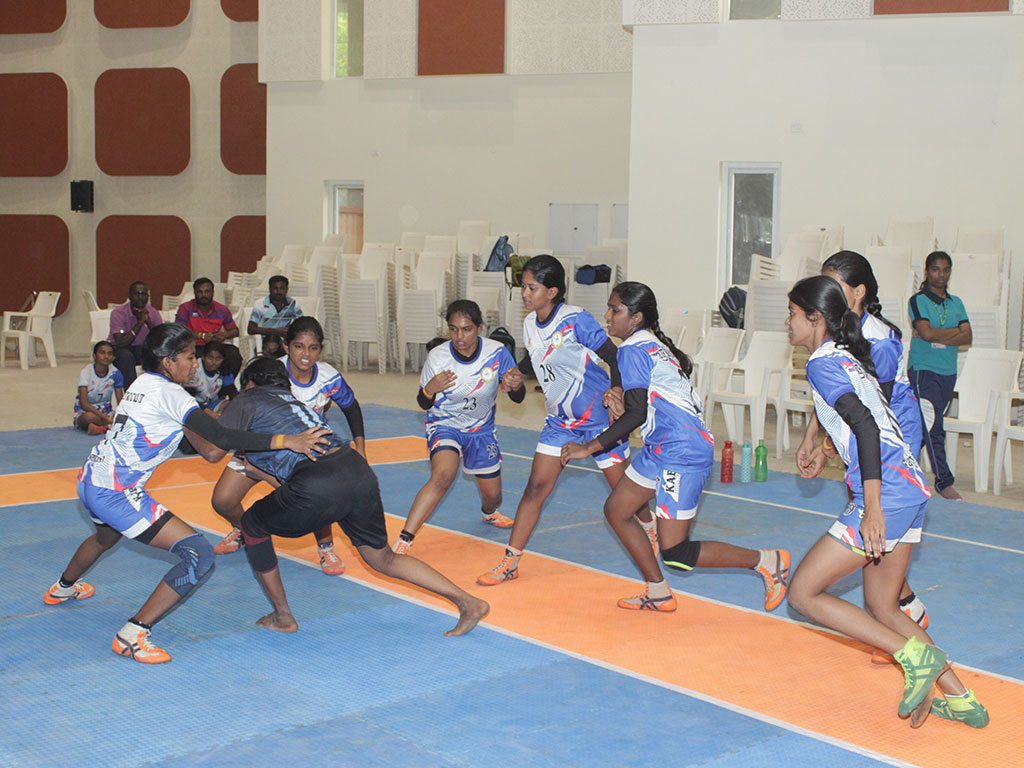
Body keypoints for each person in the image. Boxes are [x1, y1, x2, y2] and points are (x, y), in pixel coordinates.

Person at [43, 323, 330, 665]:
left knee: (106, 536)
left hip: (90, 478)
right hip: (115, 492)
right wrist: (286, 440)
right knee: (198, 554)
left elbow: (205, 450)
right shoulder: (174, 396)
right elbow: (219, 441)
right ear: (168, 361)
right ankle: (133, 634)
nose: (195, 364)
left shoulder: (142, 383)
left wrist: (210, 423)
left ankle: (63, 587)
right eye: (190, 357)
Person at [785, 275, 987, 729]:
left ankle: (911, 656)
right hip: (911, 488)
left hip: (887, 494)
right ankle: (961, 699)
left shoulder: (821, 363)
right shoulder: (847, 357)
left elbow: (866, 427)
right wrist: (824, 447)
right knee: (883, 605)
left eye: (793, 314)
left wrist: (872, 505)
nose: (787, 322)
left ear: (815, 319)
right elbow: (864, 419)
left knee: (803, 593)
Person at [204, 356, 490, 636]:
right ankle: (468, 602)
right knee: (383, 558)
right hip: (356, 471)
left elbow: (215, 449)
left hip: (316, 482)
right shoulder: (297, 406)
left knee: (252, 525)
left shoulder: (249, 398)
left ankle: (283, 616)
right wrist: (259, 470)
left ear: (249, 384)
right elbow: (292, 480)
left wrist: (193, 418)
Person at [560, 282, 789, 612]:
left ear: (636, 317)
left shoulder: (632, 350)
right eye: (609, 308)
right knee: (617, 510)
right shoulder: (650, 344)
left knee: (676, 553)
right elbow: (646, 402)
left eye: (615, 310)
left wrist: (590, 447)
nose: (607, 316)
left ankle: (766, 560)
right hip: (661, 447)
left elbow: (637, 413)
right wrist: (622, 398)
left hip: (681, 453)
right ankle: (658, 592)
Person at [476, 255, 657, 587]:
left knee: (624, 493)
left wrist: (617, 390)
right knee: (535, 488)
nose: (525, 294)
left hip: (599, 420)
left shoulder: (576, 320)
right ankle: (510, 562)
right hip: (560, 421)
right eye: (523, 287)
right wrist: (518, 373)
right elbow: (538, 357)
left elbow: (614, 355)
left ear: (552, 291)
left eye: (532, 288)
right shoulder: (530, 324)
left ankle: (649, 525)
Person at [796, 251, 929, 662]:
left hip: (895, 441)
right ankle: (901, 623)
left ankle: (905, 622)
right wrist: (815, 437)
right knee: (879, 550)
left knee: (877, 527)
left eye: (834, 286)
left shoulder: (880, 339)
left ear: (858, 292)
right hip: (871, 445)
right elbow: (838, 401)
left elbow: (870, 415)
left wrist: (829, 448)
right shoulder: (837, 338)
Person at [211, 317, 363, 576]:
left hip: (304, 455)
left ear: (321, 349)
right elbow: (241, 403)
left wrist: (361, 447)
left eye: (313, 348)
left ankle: (326, 546)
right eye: (298, 346)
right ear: (286, 346)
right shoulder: (267, 371)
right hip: (260, 448)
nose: (305, 354)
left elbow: (351, 407)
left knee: (314, 496)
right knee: (222, 500)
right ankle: (244, 528)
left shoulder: (328, 376)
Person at [394, 300, 526, 555]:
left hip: (481, 430)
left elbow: (518, 398)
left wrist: (516, 385)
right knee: (443, 476)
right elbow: (423, 402)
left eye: (466, 329)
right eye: (453, 329)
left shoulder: (497, 353)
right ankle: (404, 540)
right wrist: (429, 389)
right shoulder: (438, 357)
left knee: (493, 497)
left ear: (479, 328)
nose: (459, 336)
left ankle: (489, 512)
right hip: (445, 424)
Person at [908, 251, 972, 501]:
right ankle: (944, 481)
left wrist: (936, 333)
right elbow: (926, 334)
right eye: (936, 269)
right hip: (924, 370)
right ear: (927, 271)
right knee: (934, 427)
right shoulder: (918, 300)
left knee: (923, 428)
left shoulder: (956, 303)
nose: (941, 275)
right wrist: (954, 332)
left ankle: (898, 466)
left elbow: (968, 336)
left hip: (948, 372)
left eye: (946, 270)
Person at [109, 280, 162, 388]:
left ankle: (154, 389)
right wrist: (140, 322)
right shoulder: (118, 313)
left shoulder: (153, 313)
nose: (140, 298)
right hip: (120, 350)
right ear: (129, 296)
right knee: (126, 356)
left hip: (141, 349)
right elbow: (121, 343)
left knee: (156, 355)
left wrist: (148, 322)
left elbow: (161, 339)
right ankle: (132, 390)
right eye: (136, 294)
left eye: (143, 294)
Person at [74, 340, 124, 435]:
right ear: (94, 356)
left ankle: (101, 427)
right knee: (89, 417)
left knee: (124, 418)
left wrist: (117, 415)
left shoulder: (116, 373)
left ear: (113, 358)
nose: (106, 356)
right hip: (86, 412)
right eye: (102, 353)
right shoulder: (86, 373)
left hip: (107, 412)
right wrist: (105, 418)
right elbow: (84, 404)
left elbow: (120, 401)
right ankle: (106, 426)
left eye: (110, 354)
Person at [174, 277, 238, 347]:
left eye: (207, 291)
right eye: (199, 292)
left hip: (214, 346)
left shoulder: (222, 310)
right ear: (195, 293)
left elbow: (235, 331)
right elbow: (178, 332)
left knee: (233, 351)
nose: (203, 295)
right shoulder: (185, 308)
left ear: (213, 292)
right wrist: (201, 335)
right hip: (192, 346)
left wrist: (225, 334)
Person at [247, 274, 303, 343]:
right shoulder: (260, 304)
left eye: (282, 288)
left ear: (287, 289)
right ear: (269, 289)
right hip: (265, 342)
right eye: (275, 288)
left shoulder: (293, 304)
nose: (278, 292)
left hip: (285, 341)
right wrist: (275, 331)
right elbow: (251, 329)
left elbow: (301, 324)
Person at [186, 341, 237, 416]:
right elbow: (188, 397)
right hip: (196, 405)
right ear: (203, 357)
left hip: (213, 404)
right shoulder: (195, 369)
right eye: (210, 358)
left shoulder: (224, 371)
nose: (214, 362)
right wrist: (209, 413)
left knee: (230, 403)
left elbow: (232, 392)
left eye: (218, 359)